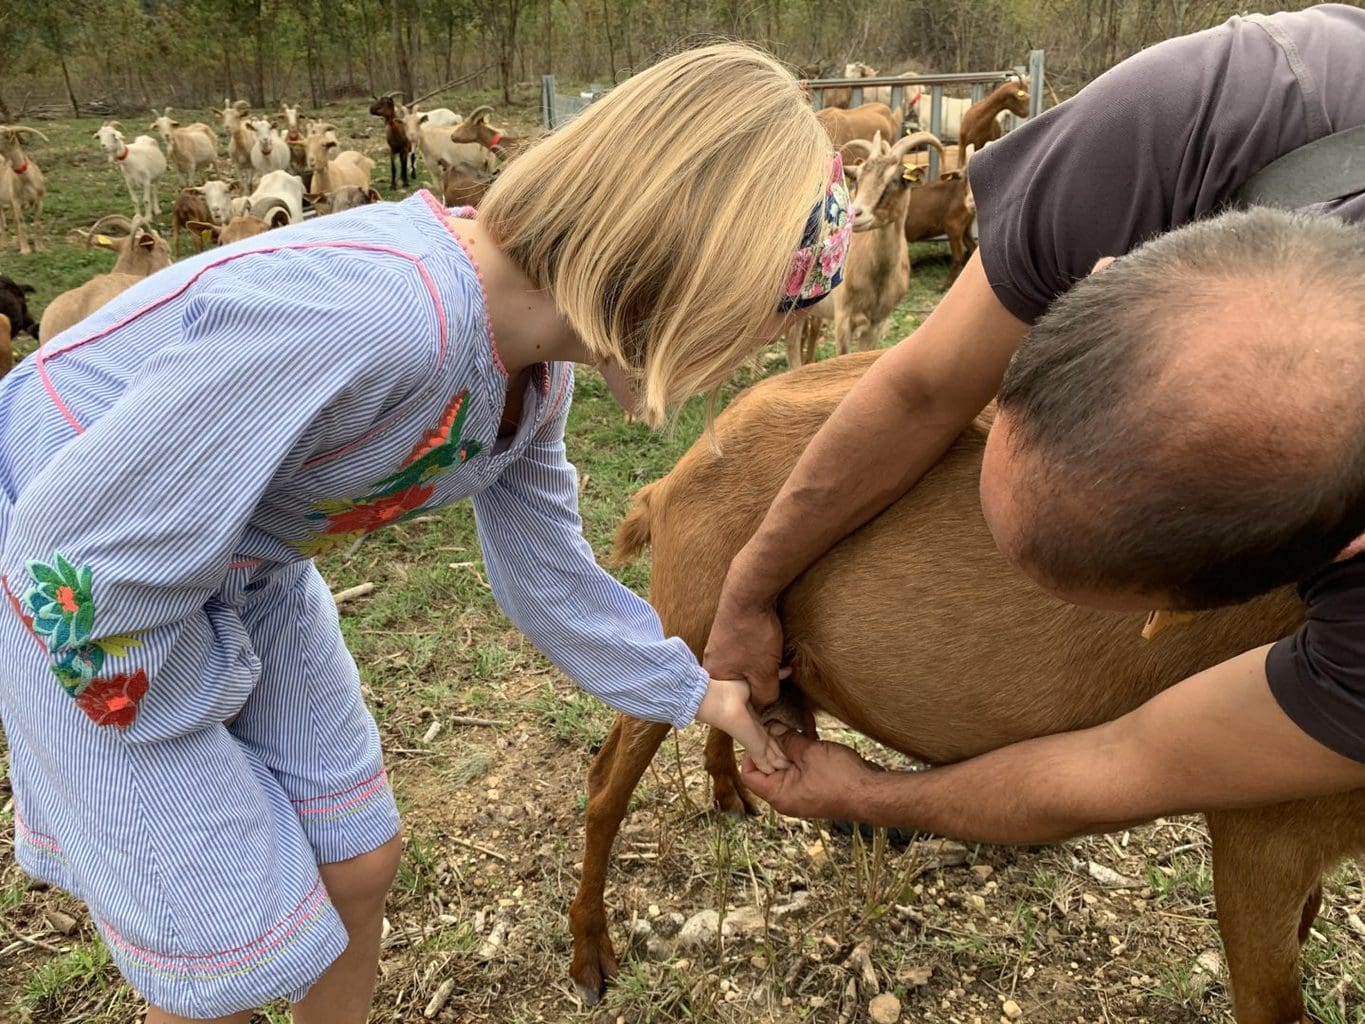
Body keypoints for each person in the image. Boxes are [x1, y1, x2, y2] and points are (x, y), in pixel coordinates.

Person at [0, 44, 850, 1024]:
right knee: (225, 956)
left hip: (236, 559)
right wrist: (204, 693)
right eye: (740, 330)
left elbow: (549, 575)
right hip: (85, 580)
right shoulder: (384, 319)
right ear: (665, 277)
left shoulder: (532, 380)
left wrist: (700, 693)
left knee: (360, 859)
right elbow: (70, 555)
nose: (732, 365)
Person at [706, 5, 1365, 836]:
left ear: (1335, 553)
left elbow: (1130, 761)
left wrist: (867, 798)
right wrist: (746, 590)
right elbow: (922, 391)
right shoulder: (1184, 114)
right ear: (1101, 273)